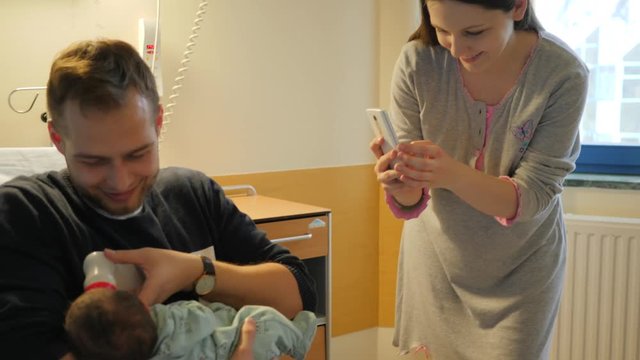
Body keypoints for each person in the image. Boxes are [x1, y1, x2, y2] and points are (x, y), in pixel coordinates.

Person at [0, 39, 316, 359]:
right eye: (93, 161)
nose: (120, 180)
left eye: (138, 154)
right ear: (58, 139)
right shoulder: (26, 214)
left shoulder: (192, 194)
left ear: (158, 122)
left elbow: (298, 292)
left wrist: (197, 271)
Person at [370, 1, 587, 359]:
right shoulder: (418, 61)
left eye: (474, 32)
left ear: (517, 6)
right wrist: (401, 183)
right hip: (435, 265)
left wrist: (451, 173)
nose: (456, 49)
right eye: (442, 31)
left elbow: (531, 196)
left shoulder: (561, 73)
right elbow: (413, 199)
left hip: (522, 271)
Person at [65, 288, 317, 360]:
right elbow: (201, 314)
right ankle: (300, 339)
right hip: (238, 340)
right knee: (263, 318)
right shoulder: (171, 317)